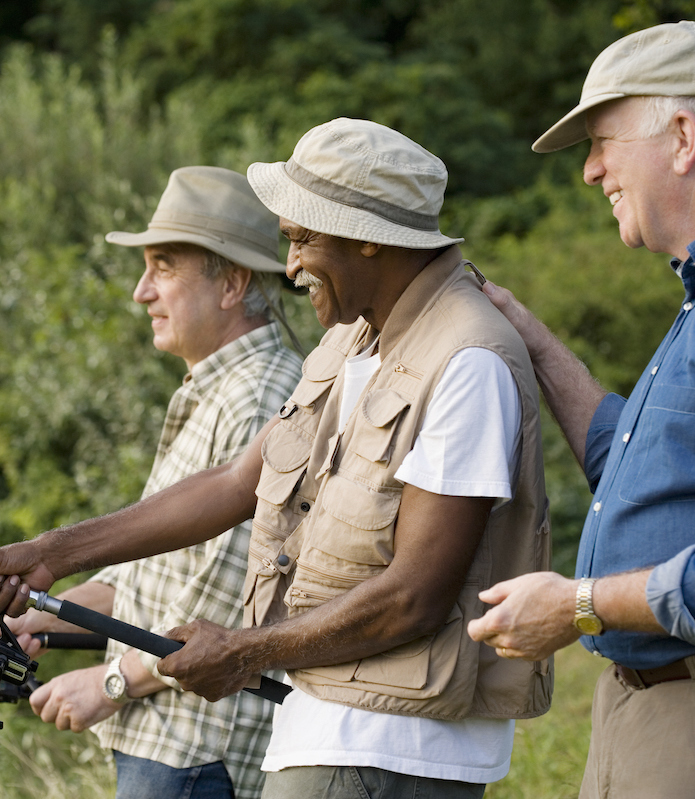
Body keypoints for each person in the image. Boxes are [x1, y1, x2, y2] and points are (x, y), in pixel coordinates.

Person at [0, 118, 552, 798]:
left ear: (366, 239)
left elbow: (414, 594)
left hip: (387, 751)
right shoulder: (351, 340)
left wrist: (241, 652)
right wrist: (56, 550)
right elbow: (239, 480)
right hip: (326, 733)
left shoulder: (466, 360)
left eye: (300, 238)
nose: (288, 265)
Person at [7, 166, 304, 799]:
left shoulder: (260, 397)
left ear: (234, 282)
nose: (142, 292)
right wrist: (35, 624)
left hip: (199, 749)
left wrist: (110, 682)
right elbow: (145, 588)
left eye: (164, 267)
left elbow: (231, 602)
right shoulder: (216, 392)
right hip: (169, 747)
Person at [464, 20, 695, 799]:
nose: (592, 171)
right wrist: (523, 331)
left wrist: (581, 604)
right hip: (635, 708)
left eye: (602, 141)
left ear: (684, 135)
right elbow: (634, 469)